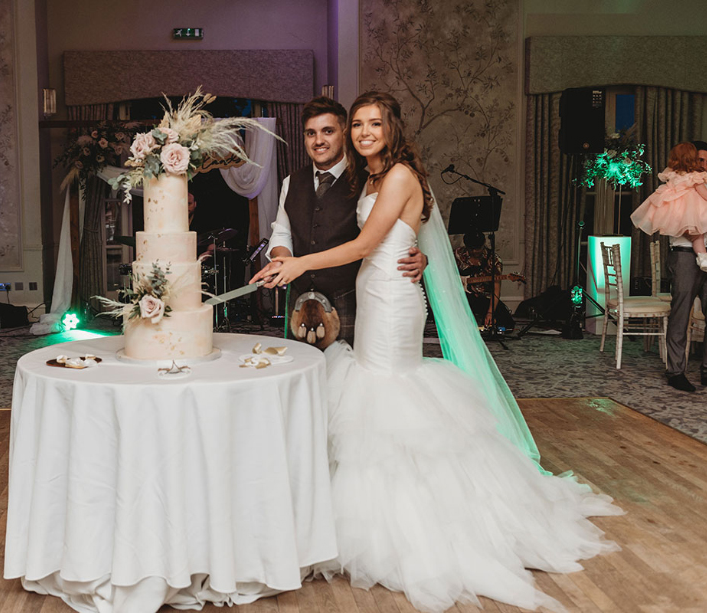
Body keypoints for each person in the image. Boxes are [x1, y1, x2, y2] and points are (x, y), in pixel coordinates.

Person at [252, 92, 621, 613]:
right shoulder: (371, 177)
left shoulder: (398, 175)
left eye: (371, 124)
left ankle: (415, 524)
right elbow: (391, 233)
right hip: (375, 293)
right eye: (357, 124)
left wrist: (308, 264)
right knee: (371, 404)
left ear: (391, 128)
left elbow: (365, 244)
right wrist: (410, 251)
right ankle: (374, 510)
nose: (362, 133)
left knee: (390, 400)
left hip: (391, 301)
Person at [266, 96, 427, 345]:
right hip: (300, 299)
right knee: (303, 367)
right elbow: (282, 232)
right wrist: (282, 262)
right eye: (310, 133)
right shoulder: (291, 182)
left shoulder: (371, 179)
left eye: (328, 131)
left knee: (352, 365)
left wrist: (422, 258)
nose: (318, 140)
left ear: (343, 133)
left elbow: (401, 231)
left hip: (351, 297)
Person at [656, 140, 707, 392]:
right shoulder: (676, 185)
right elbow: (675, 220)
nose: (704, 165)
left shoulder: (704, 185)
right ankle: (675, 371)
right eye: (700, 160)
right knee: (680, 314)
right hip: (685, 256)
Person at [631, 142, 707, 272]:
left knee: (697, 235)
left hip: (679, 209)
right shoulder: (696, 177)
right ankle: (703, 257)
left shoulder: (673, 174)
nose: (704, 165)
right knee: (697, 236)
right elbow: (706, 195)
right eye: (700, 160)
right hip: (684, 249)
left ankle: (703, 257)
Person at [454, 229, 515, 330]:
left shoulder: (494, 260)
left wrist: (490, 313)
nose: (474, 252)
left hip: (484, 297)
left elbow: (496, 290)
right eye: (471, 249)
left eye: (478, 248)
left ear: (484, 244)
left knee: (506, 323)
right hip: (462, 296)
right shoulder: (458, 254)